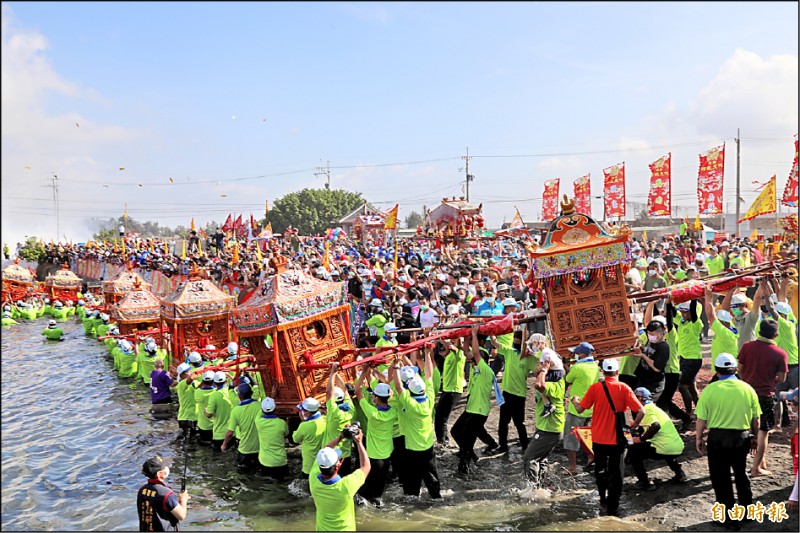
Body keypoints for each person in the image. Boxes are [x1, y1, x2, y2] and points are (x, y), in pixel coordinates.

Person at [695, 353, 761, 531]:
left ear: (717, 371)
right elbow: (756, 419)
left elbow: (701, 419)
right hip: (742, 437)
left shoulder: (710, 390)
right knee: (741, 474)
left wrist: (699, 438)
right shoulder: (747, 389)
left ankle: (728, 519)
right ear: (734, 370)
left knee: (721, 478)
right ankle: (747, 512)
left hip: (718, 439)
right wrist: (754, 437)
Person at [571, 358, 643, 517]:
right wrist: (634, 424)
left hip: (598, 438)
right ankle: (613, 507)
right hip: (619, 438)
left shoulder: (595, 388)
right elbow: (641, 411)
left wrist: (574, 400)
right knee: (617, 472)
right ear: (617, 372)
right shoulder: (624, 387)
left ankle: (602, 498)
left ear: (603, 372)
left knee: (600, 470)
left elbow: (580, 409)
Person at [737, 319, 788, 478]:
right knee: (763, 431)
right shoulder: (780, 353)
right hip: (765, 395)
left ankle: (760, 462)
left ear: (759, 330)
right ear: (776, 334)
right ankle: (755, 469)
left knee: (747, 429)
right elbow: (782, 378)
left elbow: (740, 369)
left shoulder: (746, 347)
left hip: (745, 393)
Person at [392, 345, 441, 499]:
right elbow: (429, 375)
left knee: (411, 487)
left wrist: (395, 365)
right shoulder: (430, 399)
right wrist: (427, 353)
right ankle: (436, 497)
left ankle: (412, 499)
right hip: (427, 448)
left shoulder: (410, 404)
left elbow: (399, 387)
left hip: (412, 450)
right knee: (432, 479)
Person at [450, 325, 501, 474]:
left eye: (474, 359)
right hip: (471, 409)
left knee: (467, 441)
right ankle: (471, 456)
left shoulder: (485, 370)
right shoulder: (476, 368)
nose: (471, 360)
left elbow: (476, 353)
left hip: (479, 411)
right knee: (455, 431)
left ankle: (464, 469)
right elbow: (467, 352)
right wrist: (466, 336)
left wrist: (473, 333)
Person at [309, 426, 370, 531]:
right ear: (338, 465)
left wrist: (341, 437)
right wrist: (359, 443)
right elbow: (366, 466)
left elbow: (324, 450)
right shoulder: (346, 486)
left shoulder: (313, 479)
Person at [627, 388, 686, 490]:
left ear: (639, 399)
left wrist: (641, 439)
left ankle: (645, 482)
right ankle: (680, 473)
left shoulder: (647, 410)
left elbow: (655, 425)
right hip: (677, 446)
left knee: (634, 451)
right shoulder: (655, 408)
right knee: (664, 446)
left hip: (664, 448)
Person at [523, 346, 565, 487]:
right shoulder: (548, 380)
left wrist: (544, 369)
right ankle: (544, 485)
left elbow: (539, 385)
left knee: (530, 457)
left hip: (551, 429)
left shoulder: (555, 384)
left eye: (540, 363)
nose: (537, 365)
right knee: (542, 459)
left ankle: (532, 489)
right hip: (545, 427)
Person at [354, 369, 397, 507]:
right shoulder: (393, 411)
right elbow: (392, 392)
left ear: (376, 398)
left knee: (364, 491)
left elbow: (358, 392)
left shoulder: (372, 413)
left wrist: (364, 372)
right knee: (379, 487)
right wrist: (370, 373)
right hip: (387, 456)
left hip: (374, 456)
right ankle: (377, 502)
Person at [496, 329, 537, 453]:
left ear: (524, 343)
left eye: (518, 342)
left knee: (520, 423)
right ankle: (503, 446)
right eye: (515, 341)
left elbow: (538, 370)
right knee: (503, 422)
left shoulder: (529, 358)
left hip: (520, 395)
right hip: (507, 393)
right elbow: (495, 343)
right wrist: (492, 330)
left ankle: (525, 446)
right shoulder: (509, 352)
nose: (516, 343)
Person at [563, 342, 600, 474]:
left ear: (583, 354)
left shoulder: (578, 368)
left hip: (576, 408)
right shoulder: (595, 367)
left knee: (570, 439)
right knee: (588, 436)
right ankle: (591, 457)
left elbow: (568, 379)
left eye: (577, 353)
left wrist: (567, 368)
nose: (575, 355)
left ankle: (572, 467)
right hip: (590, 408)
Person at [137, 456, 189, 532]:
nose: (166, 468)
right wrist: (184, 499)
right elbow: (181, 516)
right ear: (159, 474)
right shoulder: (166, 493)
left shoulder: (142, 490)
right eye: (164, 467)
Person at [221, 383, 262, 471]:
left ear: (239, 396)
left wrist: (224, 445)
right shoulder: (260, 406)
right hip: (260, 449)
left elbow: (230, 433)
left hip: (245, 450)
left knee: (243, 475)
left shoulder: (236, 411)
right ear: (251, 393)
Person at [325, 363, 355, 476]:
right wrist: (335, 373)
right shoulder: (350, 409)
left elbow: (329, 393)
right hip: (346, 455)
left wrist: (333, 373)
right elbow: (345, 390)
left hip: (332, 456)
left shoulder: (334, 412)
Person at [435, 338, 466, 446]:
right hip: (447, 390)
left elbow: (451, 346)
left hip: (453, 391)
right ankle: (443, 440)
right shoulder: (449, 356)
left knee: (441, 417)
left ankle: (443, 442)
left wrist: (440, 337)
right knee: (439, 415)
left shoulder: (459, 355)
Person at [634, 320, 669, 404]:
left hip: (654, 383)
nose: (650, 336)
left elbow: (657, 368)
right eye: (649, 334)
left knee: (647, 406)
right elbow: (648, 351)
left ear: (661, 334)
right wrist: (640, 347)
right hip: (643, 379)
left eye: (652, 334)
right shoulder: (652, 342)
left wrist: (643, 356)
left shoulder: (663, 348)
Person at [292, 397, 328, 478]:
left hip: (309, 466)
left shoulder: (304, 426)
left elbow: (295, 439)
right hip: (325, 463)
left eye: (303, 410)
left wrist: (303, 421)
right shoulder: (326, 420)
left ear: (308, 412)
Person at [255, 397, 290, 479]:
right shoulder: (281, 423)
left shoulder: (258, 422)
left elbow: (260, 412)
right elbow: (286, 434)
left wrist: (271, 397)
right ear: (275, 409)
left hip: (265, 462)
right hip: (280, 462)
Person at [205, 371, 233, 452]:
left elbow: (209, 414)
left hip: (219, 434)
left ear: (214, 383)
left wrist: (205, 411)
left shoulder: (214, 396)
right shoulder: (233, 392)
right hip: (233, 433)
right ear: (226, 381)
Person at [174, 363, 197, 437]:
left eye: (190, 371)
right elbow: (191, 378)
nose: (190, 372)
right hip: (186, 418)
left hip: (192, 417)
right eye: (187, 372)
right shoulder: (181, 385)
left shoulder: (194, 383)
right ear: (182, 375)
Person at [194, 371, 216, 445]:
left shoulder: (197, 393)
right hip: (215, 425)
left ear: (203, 381)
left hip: (203, 425)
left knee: (204, 444)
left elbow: (198, 388)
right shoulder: (217, 393)